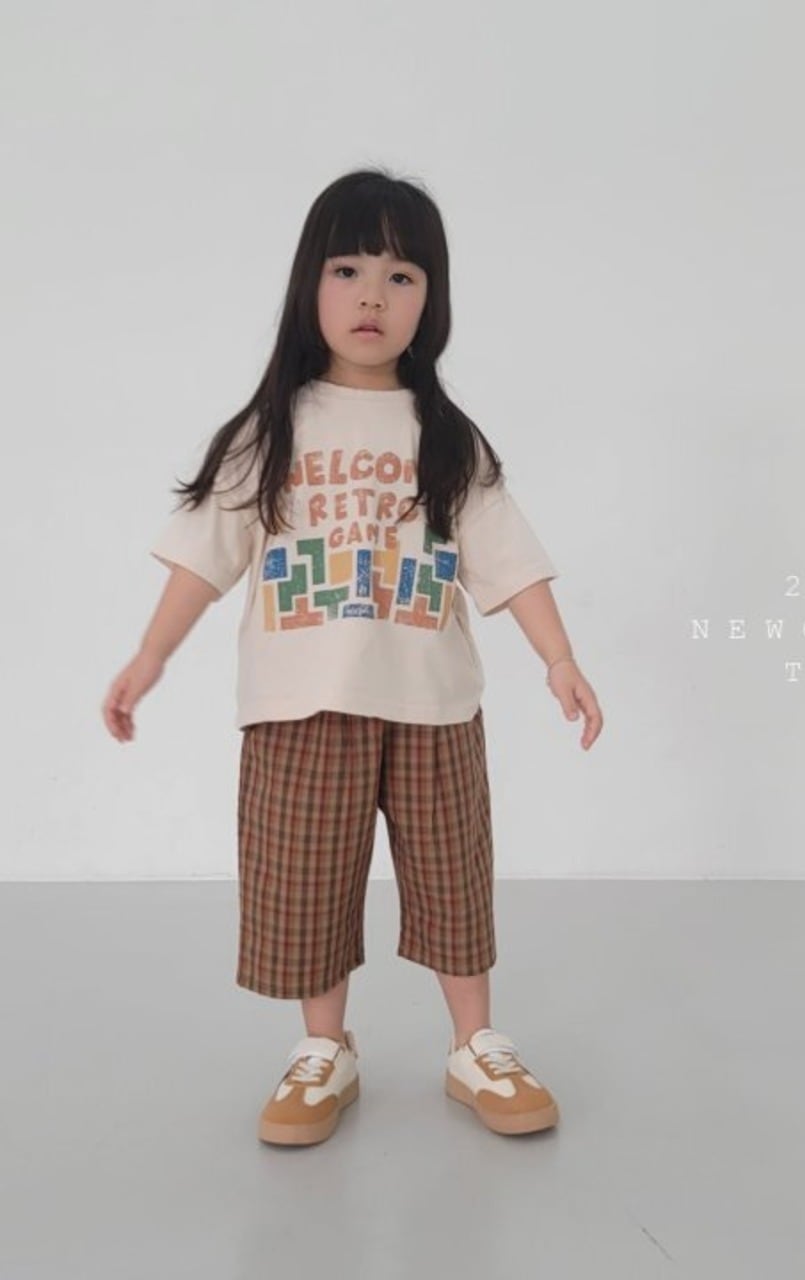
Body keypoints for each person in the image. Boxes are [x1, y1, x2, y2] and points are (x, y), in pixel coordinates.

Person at [99, 167, 603, 1147]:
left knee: (454, 882)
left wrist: (559, 657)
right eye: (348, 269)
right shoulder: (272, 430)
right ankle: (325, 1048)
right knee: (307, 885)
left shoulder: (444, 437)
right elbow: (205, 555)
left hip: (433, 701)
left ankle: (474, 1043)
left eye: (400, 275)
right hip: (300, 702)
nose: (373, 295)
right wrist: (149, 655)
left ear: (431, 300)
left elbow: (507, 556)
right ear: (310, 285)